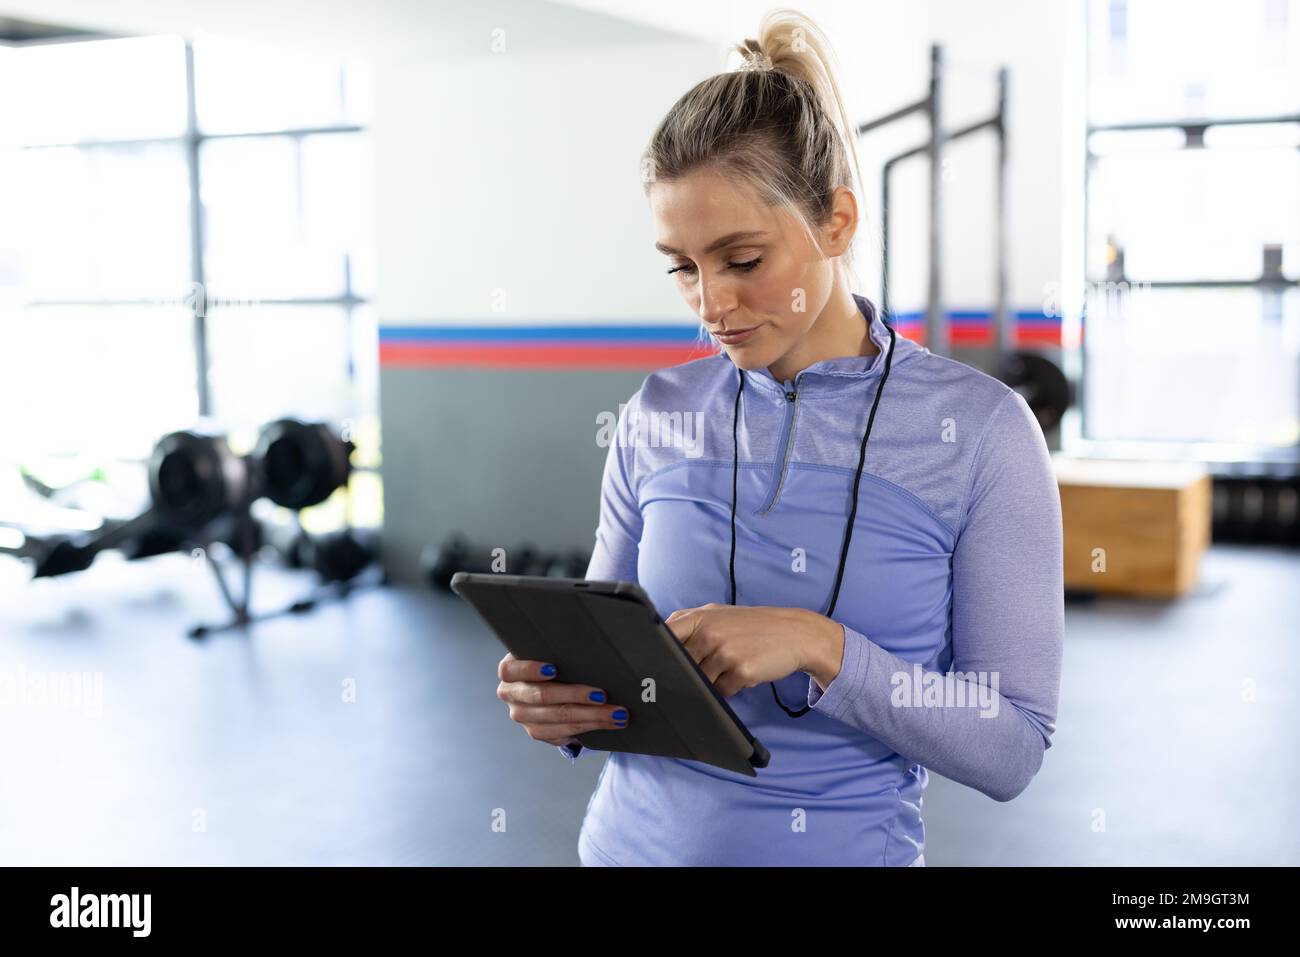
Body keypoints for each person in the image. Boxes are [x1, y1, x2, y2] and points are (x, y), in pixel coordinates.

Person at [495, 7, 1063, 866]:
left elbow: (1011, 746)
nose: (710, 304)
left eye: (743, 259)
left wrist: (819, 645)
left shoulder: (980, 432)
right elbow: (609, 656)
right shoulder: (657, 414)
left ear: (836, 220)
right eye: (683, 267)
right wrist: (562, 704)